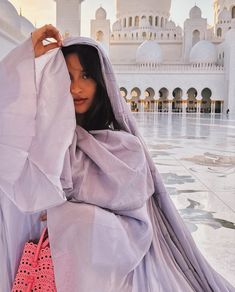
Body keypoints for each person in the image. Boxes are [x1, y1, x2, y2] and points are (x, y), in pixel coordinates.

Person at [0, 24, 234, 292]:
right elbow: (7, 135)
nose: (76, 88)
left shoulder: (125, 147)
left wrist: (65, 216)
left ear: (101, 81)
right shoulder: (48, 143)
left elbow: (134, 228)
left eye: (86, 75)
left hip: (107, 268)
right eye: (66, 76)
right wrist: (25, 56)